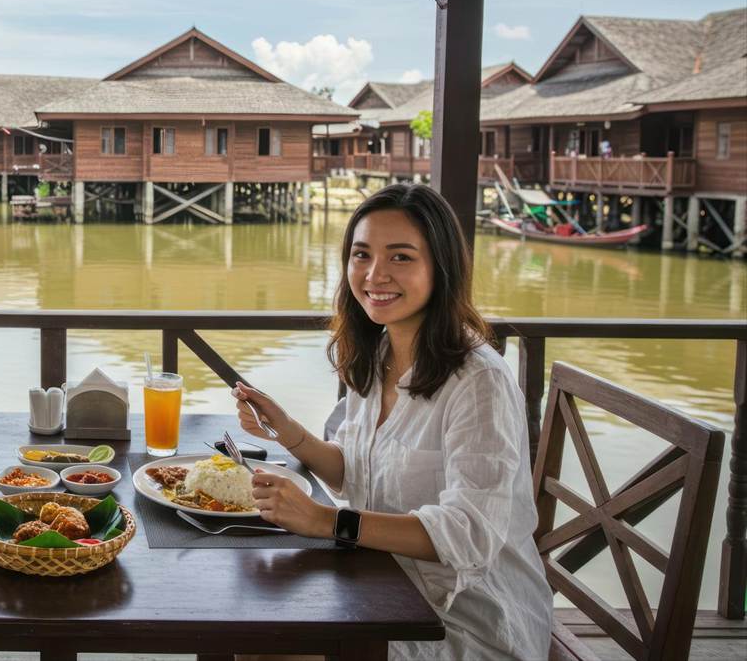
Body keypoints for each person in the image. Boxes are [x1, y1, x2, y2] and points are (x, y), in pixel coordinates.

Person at [234, 183, 552, 660]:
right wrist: (289, 433)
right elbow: (353, 470)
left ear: (440, 268)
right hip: (380, 584)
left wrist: (325, 520)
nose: (375, 275)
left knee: (269, 644)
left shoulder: (478, 381)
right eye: (361, 255)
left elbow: (470, 533)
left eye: (400, 257)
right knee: (255, 620)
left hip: (467, 616)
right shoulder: (379, 351)